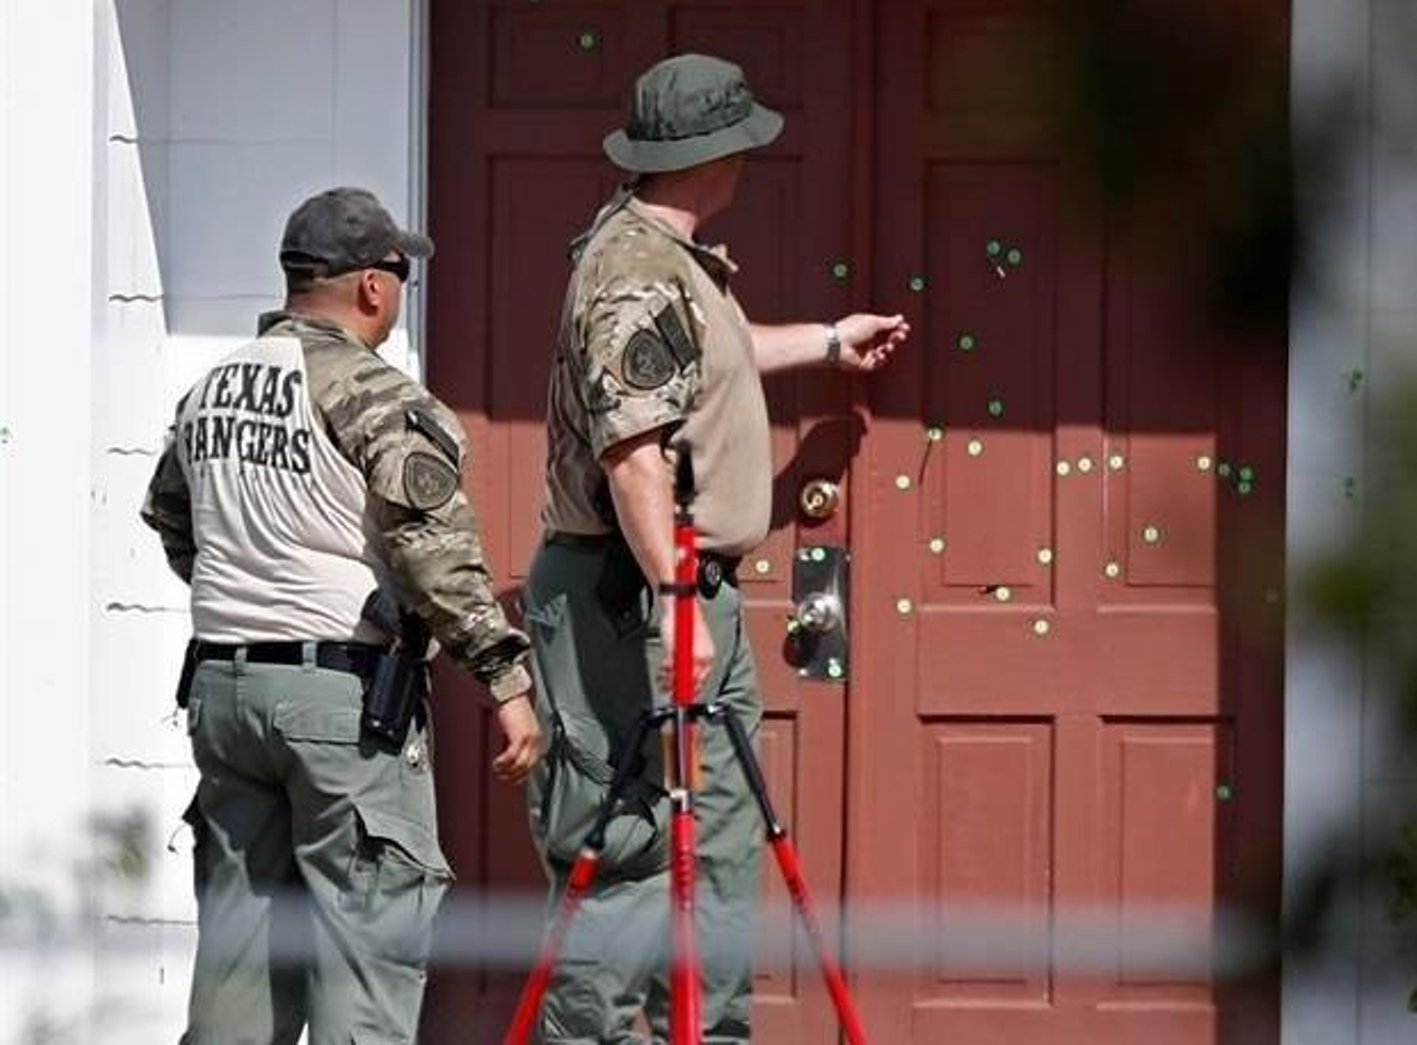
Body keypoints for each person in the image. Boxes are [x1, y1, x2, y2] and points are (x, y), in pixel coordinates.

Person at [522, 54, 909, 1044]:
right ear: (716, 153)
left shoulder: (677, 265)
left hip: (689, 590)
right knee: (627, 845)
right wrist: (678, 598)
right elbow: (632, 452)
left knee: (724, 849)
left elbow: (714, 358)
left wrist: (827, 341)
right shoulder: (631, 274)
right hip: (636, 593)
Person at [141, 186, 541, 1044]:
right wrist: (506, 680)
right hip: (338, 705)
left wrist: (252, 592)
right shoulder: (372, 394)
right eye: (401, 274)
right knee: (366, 957)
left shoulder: (210, 390)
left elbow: (174, 520)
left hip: (221, 689)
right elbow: (435, 552)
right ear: (370, 286)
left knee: (238, 966)